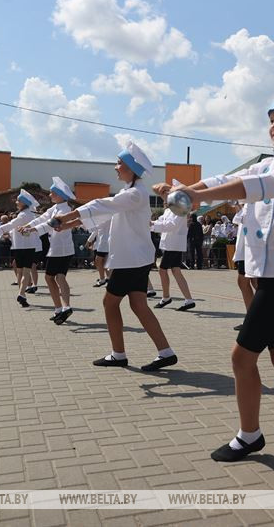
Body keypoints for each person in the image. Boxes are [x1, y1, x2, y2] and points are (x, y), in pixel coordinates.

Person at [154, 80, 274, 478]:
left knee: (241, 358)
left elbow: (249, 188)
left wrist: (195, 197)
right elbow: (228, 176)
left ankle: (249, 434)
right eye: (272, 120)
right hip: (271, 278)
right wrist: (187, 188)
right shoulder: (270, 162)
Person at [52, 142, 179, 371]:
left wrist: (65, 217)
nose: (115, 167)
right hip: (135, 258)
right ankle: (165, 352)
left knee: (110, 303)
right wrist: (67, 224)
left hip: (130, 260)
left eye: (119, 163)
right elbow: (102, 215)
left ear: (131, 168)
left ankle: (118, 354)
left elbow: (101, 205)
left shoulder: (134, 194)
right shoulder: (129, 193)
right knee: (139, 305)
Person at [21, 177, 76, 325]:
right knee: (58, 277)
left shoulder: (64, 209)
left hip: (60, 249)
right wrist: (28, 225)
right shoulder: (56, 208)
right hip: (62, 248)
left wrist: (31, 229)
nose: (50, 195)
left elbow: (48, 225)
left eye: (52, 193)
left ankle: (62, 307)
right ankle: (62, 308)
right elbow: (43, 218)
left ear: (59, 195)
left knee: (52, 277)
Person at [0, 190, 41, 307]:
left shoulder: (24, 215)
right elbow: (12, 228)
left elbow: (11, 225)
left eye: (18, 200)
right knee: (24, 271)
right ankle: (21, 294)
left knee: (21, 271)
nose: (16, 202)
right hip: (26, 246)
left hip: (21, 246)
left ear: (24, 203)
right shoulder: (28, 214)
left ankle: (22, 294)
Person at [150, 207, 197, 311]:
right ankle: (189, 300)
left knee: (162, 270)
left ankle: (166, 297)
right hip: (171, 244)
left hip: (173, 244)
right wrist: (151, 223)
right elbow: (161, 221)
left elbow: (171, 225)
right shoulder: (168, 210)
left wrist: (151, 224)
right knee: (176, 271)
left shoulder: (180, 209)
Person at [231, 204, 256, 331]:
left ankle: (258, 319)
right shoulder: (246, 203)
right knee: (244, 281)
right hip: (244, 248)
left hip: (253, 246)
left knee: (259, 284)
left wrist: (238, 204)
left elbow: (242, 217)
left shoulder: (254, 199)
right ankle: (252, 319)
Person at [87, 220, 110, 286]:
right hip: (103, 243)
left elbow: (95, 230)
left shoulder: (103, 217)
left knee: (98, 261)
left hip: (104, 243)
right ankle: (107, 278)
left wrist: (89, 240)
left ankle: (103, 279)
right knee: (105, 262)